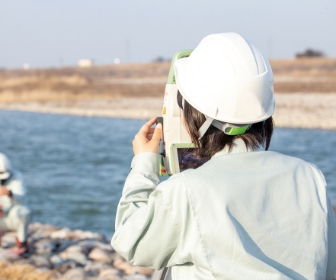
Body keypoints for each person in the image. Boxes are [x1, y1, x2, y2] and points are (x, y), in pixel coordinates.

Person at [111, 33, 336, 280]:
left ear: (194, 115)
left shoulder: (188, 191)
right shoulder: (310, 177)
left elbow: (131, 240)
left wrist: (144, 165)